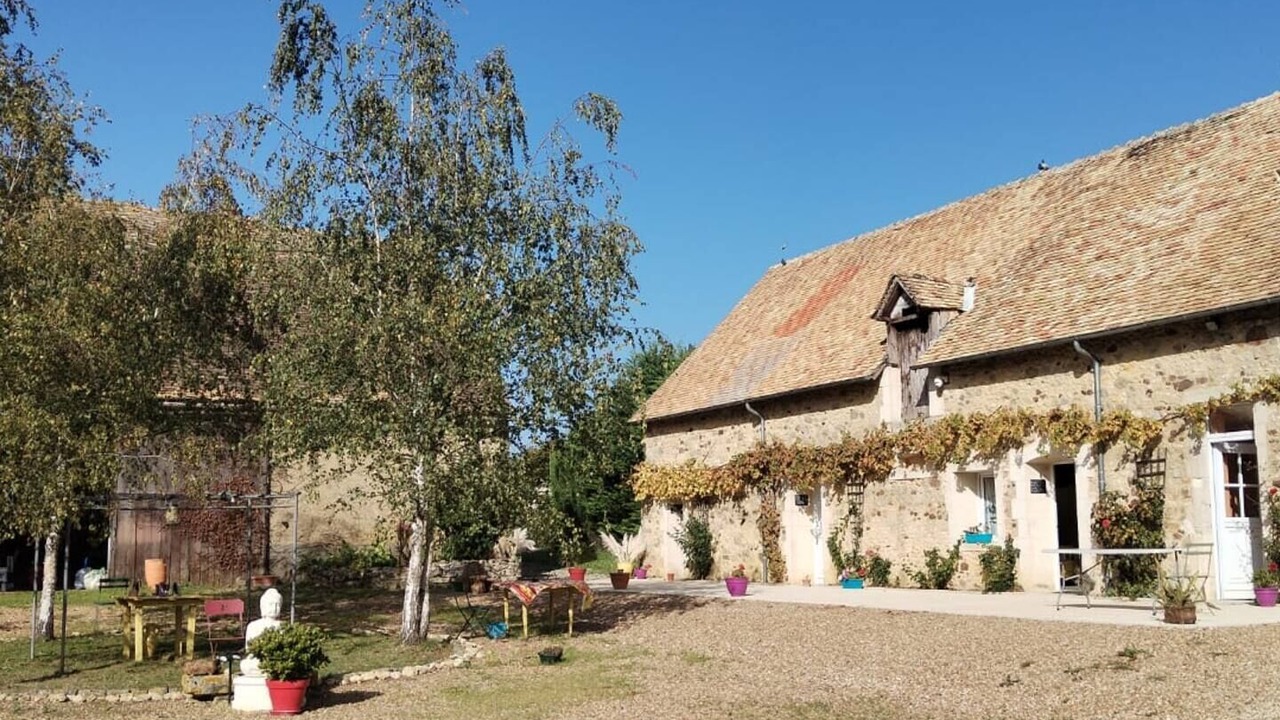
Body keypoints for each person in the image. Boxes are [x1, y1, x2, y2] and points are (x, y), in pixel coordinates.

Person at [239, 589, 284, 676]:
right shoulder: (253, 626)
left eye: (277, 605)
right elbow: (250, 651)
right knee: (245, 665)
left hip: (277, 661)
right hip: (259, 661)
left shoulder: (283, 626)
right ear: (263, 606)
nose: (274, 608)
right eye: (271, 604)